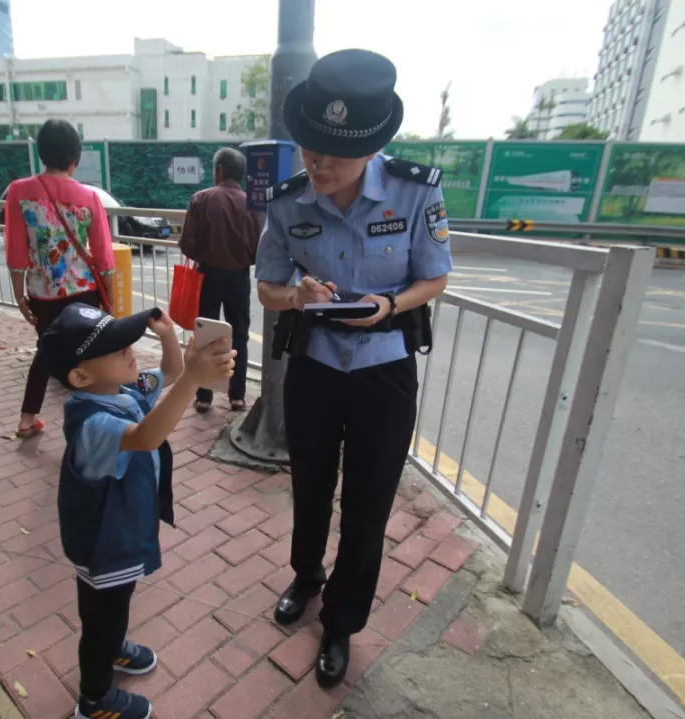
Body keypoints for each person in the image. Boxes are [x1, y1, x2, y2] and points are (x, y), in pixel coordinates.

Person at [254, 49, 452, 689]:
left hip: (384, 372)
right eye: (311, 148)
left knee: (368, 504)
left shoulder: (416, 191)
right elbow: (267, 287)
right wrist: (296, 296)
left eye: (335, 155)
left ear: (371, 146)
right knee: (310, 486)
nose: (318, 165)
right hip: (314, 366)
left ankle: (341, 620)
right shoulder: (288, 202)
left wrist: (389, 305)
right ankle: (306, 575)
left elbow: (436, 277)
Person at [37, 302, 235, 719]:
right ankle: (95, 699)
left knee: (115, 607)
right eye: (117, 348)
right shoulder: (93, 425)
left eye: (126, 340)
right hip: (103, 546)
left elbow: (171, 373)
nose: (130, 350)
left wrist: (168, 336)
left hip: (121, 534)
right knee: (102, 619)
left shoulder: (121, 390)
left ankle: (114, 646)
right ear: (80, 377)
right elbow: (146, 436)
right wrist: (195, 378)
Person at [4, 119, 116, 438]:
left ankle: (27, 419)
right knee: (89, 354)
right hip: (84, 292)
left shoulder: (18, 192)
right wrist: (110, 300)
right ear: (74, 159)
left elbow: (16, 252)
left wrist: (19, 297)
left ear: (41, 153)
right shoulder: (89, 197)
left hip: (43, 294)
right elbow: (104, 258)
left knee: (46, 351)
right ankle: (96, 422)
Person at [178, 147, 260, 413]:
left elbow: (187, 245)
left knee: (206, 336)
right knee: (240, 336)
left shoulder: (201, 199)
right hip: (239, 278)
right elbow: (257, 249)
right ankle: (237, 396)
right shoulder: (252, 204)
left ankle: (204, 397)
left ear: (219, 170)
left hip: (208, 277)